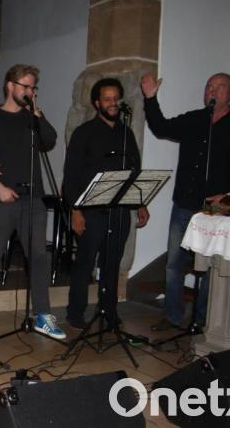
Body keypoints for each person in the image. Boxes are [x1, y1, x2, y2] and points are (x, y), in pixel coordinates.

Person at [141, 72, 230, 331]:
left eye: (220, 87)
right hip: (184, 203)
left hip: (218, 210)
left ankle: (202, 319)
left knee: (209, 267)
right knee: (174, 263)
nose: (213, 91)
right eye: (209, 86)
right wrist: (151, 98)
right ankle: (173, 315)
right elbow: (161, 128)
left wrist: (229, 194)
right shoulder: (195, 119)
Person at [0, 64, 66, 340]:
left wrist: (37, 114)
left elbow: (49, 140)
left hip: (33, 198)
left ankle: (42, 315)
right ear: (9, 86)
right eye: (25, 86)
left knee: (38, 256)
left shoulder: (31, 118)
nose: (29, 91)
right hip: (0, 198)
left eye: (33, 87)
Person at [63, 78, 149, 329]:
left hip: (120, 209)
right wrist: (75, 210)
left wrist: (140, 203)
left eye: (116, 98)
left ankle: (108, 310)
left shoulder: (126, 133)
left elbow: (134, 170)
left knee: (112, 262)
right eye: (107, 99)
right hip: (90, 210)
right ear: (97, 103)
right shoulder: (84, 133)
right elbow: (71, 175)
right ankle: (75, 313)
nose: (113, 103)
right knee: (85, 262)